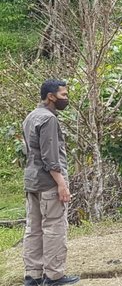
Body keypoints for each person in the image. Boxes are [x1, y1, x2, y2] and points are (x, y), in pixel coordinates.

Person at [22, 80, 80, 286]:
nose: (67, 98)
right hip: (48, 183)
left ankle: (33, 275)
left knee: (33, 228)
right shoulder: (49, 119)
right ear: (51, 97)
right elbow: (51, 157)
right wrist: (62, 184)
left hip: (32, 180)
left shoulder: (31, 116)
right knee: (54, 227)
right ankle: (54, 275)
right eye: (63, 95)